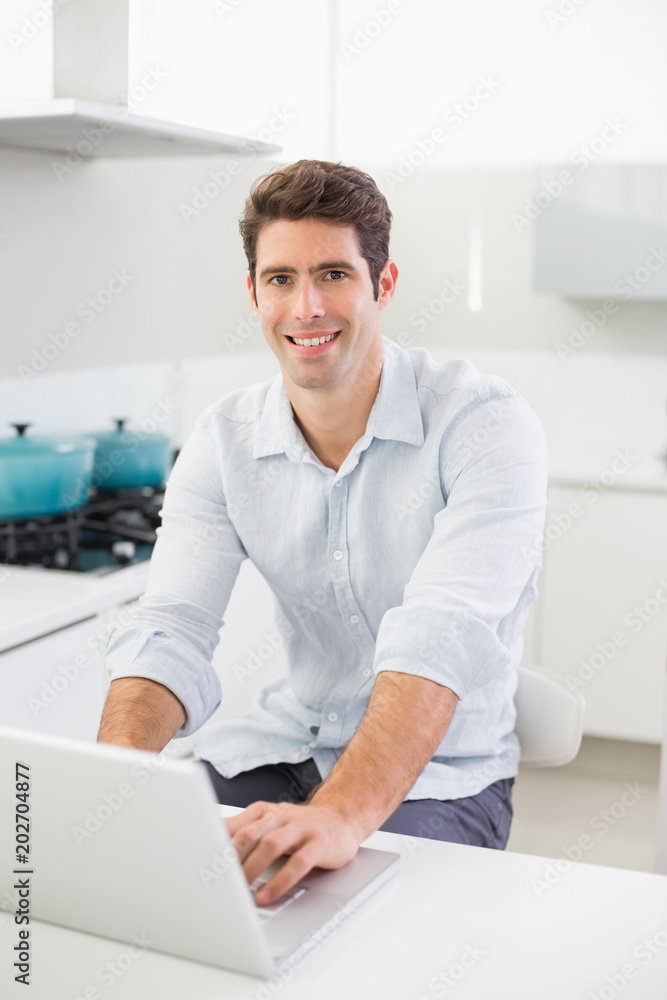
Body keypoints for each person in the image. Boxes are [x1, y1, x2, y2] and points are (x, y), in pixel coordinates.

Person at [98, 159, 548, 908]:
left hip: (443, 775)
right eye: (280, 279)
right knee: (138, 872)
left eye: (333, 273)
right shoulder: (224, 439)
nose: (305, 306)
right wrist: (110, 784)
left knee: (327, 922)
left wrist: (339, 817)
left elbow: (437, 636)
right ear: (253, 293)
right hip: (283, 745)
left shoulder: (483, 425)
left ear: (384, 283)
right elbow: (172, 627)